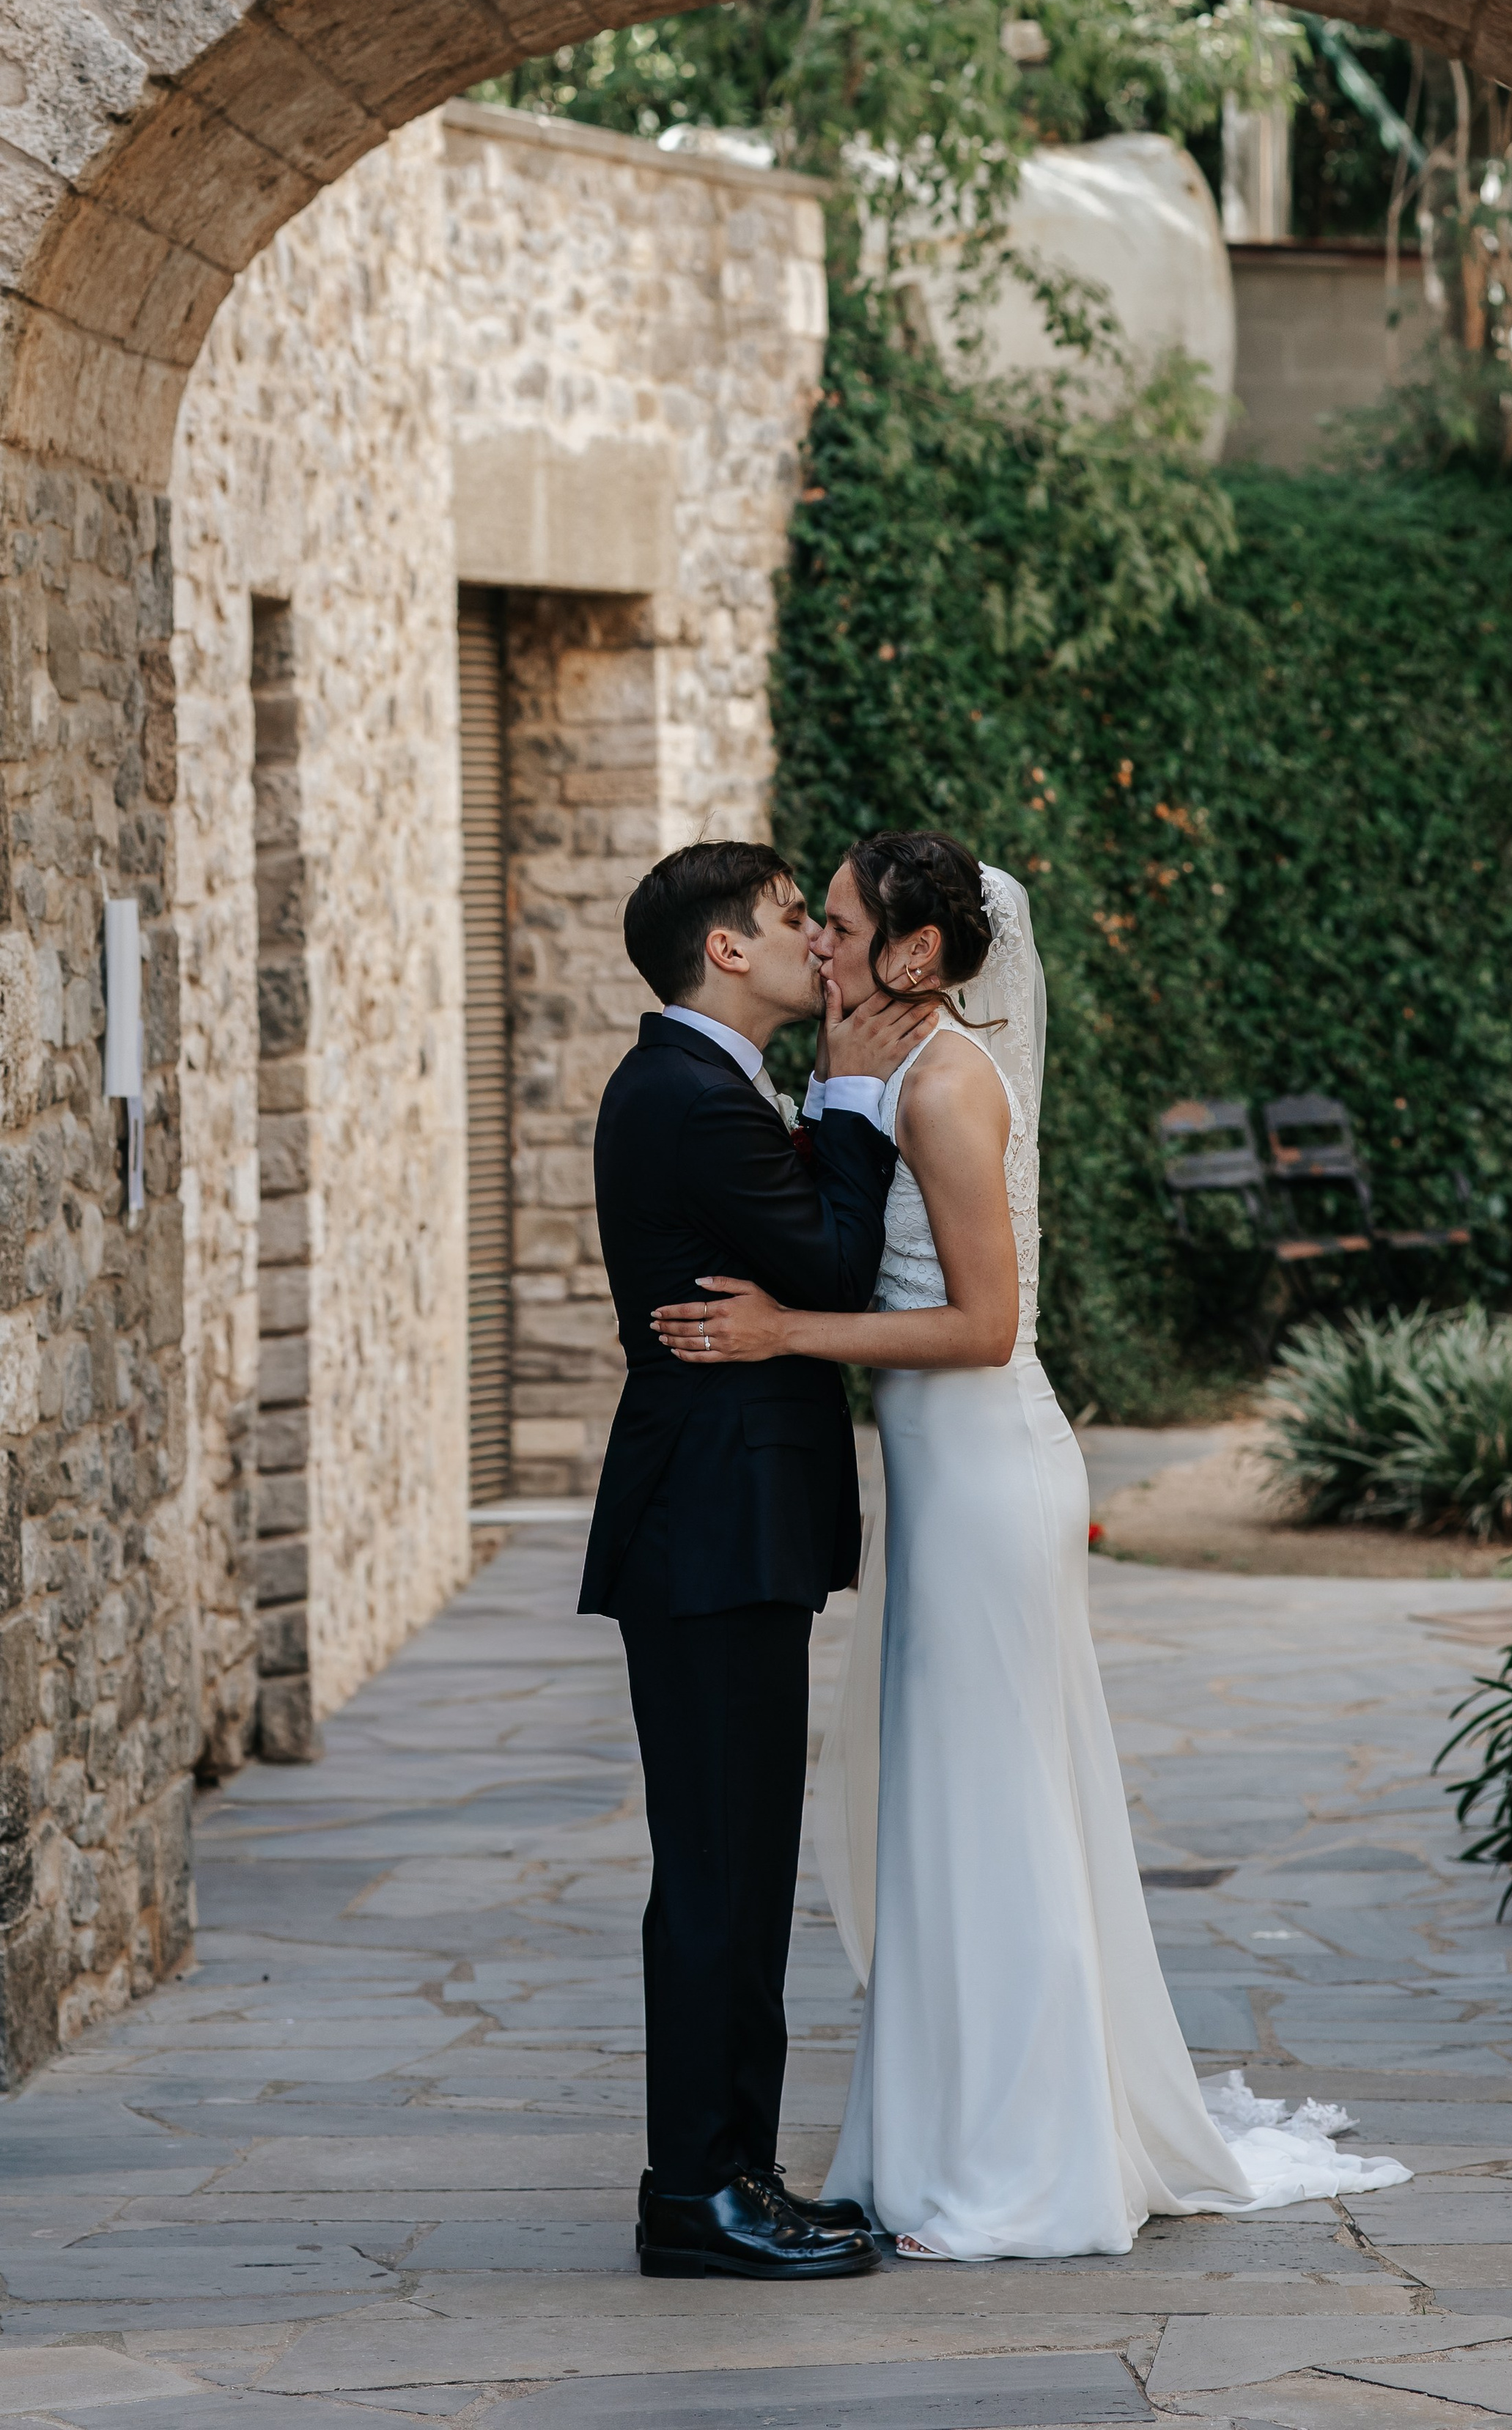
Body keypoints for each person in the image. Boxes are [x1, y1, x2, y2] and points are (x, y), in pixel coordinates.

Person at [651, 832, 1410, 2260]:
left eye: (837, 920)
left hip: (989, 1473)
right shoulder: (871, 1071)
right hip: (936, 1484)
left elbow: (984, 1326)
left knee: (987, 1809)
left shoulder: (945, 1086)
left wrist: (782, 1332)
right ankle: (947, 2135)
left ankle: (1019, 2157)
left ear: (915, 952)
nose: (816, 941)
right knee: (944, 1811)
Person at [579, 839, 932, 2283]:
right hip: (710, 1529)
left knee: (736, 1864)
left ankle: (732, 2171)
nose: (819, 947)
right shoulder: (681, 1094)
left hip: (727, 1523)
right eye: (797, 922)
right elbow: (834, 1266)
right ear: (726, 949)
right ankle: (697, 2192)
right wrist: (852, 1095)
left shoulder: (704, 1085)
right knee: (722, 1871)